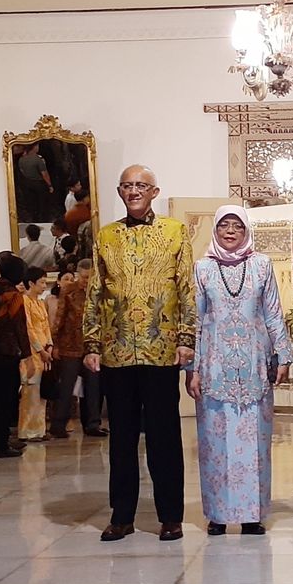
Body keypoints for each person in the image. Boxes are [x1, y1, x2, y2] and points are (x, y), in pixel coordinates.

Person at [83, 164, 196, 542]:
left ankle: (170, 516)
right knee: (122, 437)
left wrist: (186, 338)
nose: (134, 192)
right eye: (128, 186)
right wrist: (92, 343)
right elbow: (95, 292)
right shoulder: (106, 236)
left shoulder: (175, 232)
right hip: (117, 350)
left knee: (165, 436)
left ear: (154, 191)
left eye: (141, 186)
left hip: (161, 349)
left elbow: (186, 289)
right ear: (119, 192)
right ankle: (122, 515)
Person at [185, 206, 293, 536]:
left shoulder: (261, 266)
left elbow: (273, 313)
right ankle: (218, 515)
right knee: (215, 443)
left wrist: (285, 355)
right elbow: (197, 321)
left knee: (253, 445)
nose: (230, 232)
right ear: (215, 231)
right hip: (215, 367)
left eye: (237, 227)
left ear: (247, 231)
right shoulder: (202, 269)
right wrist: (193, 368)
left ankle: (252, 515)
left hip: (254, 366)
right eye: (223, 226)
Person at [51, 260, 107, 439]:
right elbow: (59, 318)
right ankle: (58, 424)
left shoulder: (98, 292)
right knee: (66, 387)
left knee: (93, 386)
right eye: (83, 277)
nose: (85, 281)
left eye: (89, 278)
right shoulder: (68, 291)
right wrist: (55, 344)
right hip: (70, 346)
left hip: (91, 347)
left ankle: (92, 424)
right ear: (78, 275)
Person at [0, 253, 32, 458]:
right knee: (5, 400)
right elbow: (20, 327)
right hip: (6, 354)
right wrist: (27, 355)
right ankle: (0, 443)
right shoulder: (12, 295)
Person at [18, 266, 53, 442]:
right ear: (31, 283)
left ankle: (39, 430)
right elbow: (28, 329)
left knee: (41, 393)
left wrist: (50, 345)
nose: (44, 286)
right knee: (30, 392)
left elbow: (46, 326)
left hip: (44, 351)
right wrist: (40, 349)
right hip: (32, 352)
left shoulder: (40, 302)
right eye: (41, 282)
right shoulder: (24, 302)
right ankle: (27, 431)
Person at [18, 143, 54, 222]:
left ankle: (34, 219)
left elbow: (22, 171)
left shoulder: (21, 159)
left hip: (27, 183)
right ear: (34, 147)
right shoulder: (38, 159)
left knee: (32, 203)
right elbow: (44, 174)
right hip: (39, 184)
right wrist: (50, 185)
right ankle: (44, 220)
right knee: (43, 203)